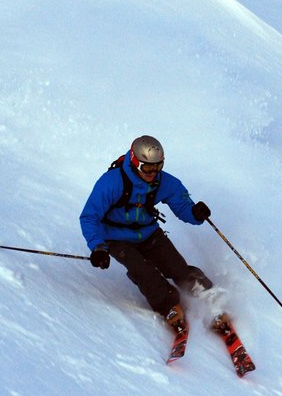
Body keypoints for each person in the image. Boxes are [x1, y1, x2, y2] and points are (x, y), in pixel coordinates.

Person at [80, 135, 213, 331]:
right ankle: (169, 306)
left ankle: (210, 298)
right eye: (148, 168)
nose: (153, 173)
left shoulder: (164, 182)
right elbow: (89, 217)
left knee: (178, 268)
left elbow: (183, 205)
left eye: (158, 166)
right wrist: (98, 247)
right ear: (135, 162)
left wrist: (195, 213)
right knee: (145, 273)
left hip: (148, 233)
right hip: (116, 238)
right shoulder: (111, 183)